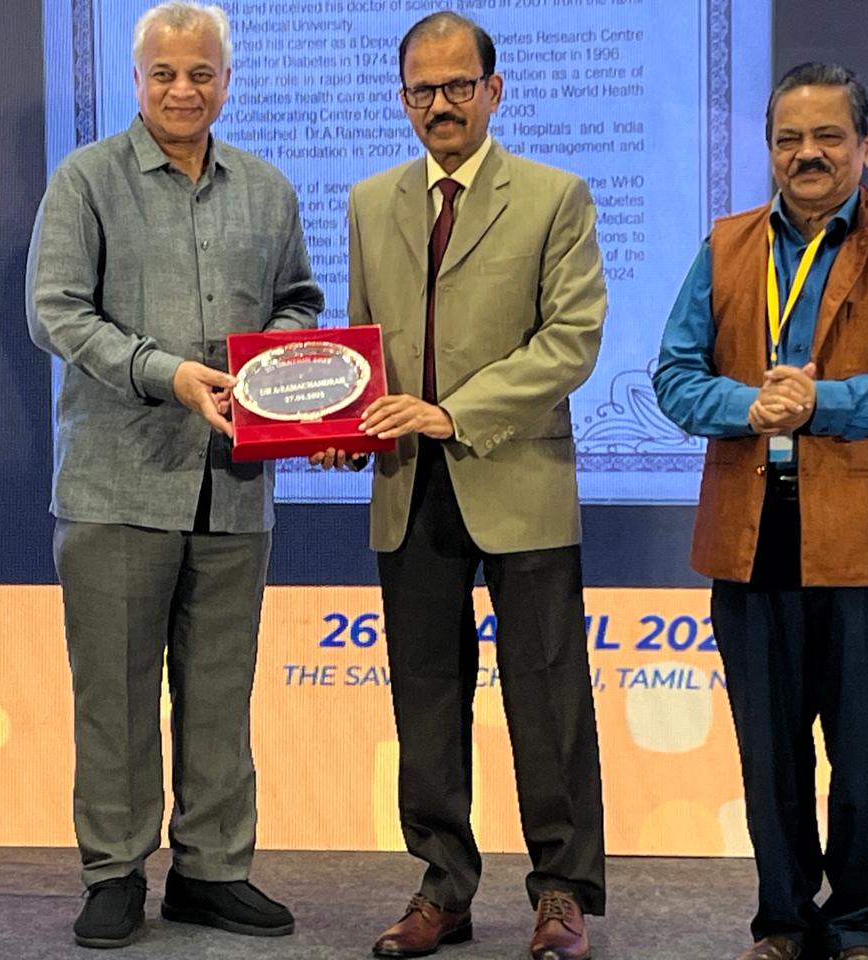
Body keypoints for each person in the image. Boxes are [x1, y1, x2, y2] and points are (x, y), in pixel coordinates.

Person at [654, 62, 868, 960]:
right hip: (753, 535)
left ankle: (863, 927)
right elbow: (675, 376)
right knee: (771, 755)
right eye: (789, 138)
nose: (808, 154)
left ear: (866, 145)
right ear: (769, 149)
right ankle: (785, 922)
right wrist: (749, 408)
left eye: (829, 136)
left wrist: (823, 403)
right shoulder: (725, 246)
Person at [25, 0, 323, 949]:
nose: (183, 89)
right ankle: (114, 871)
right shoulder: (86, 180)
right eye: (164, 73)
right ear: (137, 78)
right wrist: (169, 374)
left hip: (234, 486)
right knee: (114, 697)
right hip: (117, 485)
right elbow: (56, 312)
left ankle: (211, 871)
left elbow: (300, 302)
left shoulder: (268, 189)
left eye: (200, 73)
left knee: (220, 691)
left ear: (227, 82)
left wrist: (274, 366)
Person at [314, 11, 607, 959]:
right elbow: (363, 346)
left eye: (457, 86)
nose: (440, 104)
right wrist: (346, 430)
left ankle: (561, 891)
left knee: (548, 698)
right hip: (408, 486)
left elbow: (571, 342)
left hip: (519, 476)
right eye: (422, 90)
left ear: (493, 90)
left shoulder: (556, 196)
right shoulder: (370, 201)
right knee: (426, 700)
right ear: (403, 100)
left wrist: (451, 412)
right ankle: (443, 886)